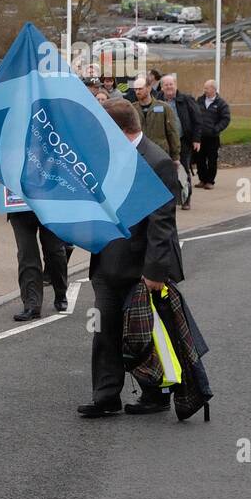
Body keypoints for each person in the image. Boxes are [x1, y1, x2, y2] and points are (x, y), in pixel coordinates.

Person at [79, 98, 183, 419]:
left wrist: (154, 272)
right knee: (105, 331)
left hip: (142, 266)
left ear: (121, 129)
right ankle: (106, 396)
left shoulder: (157, 161)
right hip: (109, 261)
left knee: (144, 334)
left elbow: (162, 222)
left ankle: (155, 393)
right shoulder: (108, 157)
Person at [8, 204, 70, 320]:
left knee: (54, 252)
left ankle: (60, 292)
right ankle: (32, 305)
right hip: (19, 207)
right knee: (27, 254)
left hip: (49, 203)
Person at [157, 74, 198, 209]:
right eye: (166, 85)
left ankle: (186, 198)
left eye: (171, 84)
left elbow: (197, 119)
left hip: (183, 142)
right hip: (164, 143)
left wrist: (197, 139)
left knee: (183, 170)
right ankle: (168, 200)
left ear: (175, 85)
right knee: (165, 171)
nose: (169, 87)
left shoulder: (186, 100)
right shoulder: (157, 101)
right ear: (162, 87)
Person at [130, 76, 178, 160]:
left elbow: (172, 132)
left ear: (148, 88)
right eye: (135, 89)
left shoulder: (164, 107)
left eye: (140, 89)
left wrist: (176, 156)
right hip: (140, 154)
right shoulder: (132, 109)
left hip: (160, 152)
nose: (137, 92)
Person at [195, 79, 230, 190]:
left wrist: (216, 129)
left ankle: (210, 181)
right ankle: (202, 179)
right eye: (204, 88)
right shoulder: (199, 101)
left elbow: (226, 119)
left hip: (213, 138)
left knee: (212, 159)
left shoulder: (221, 103)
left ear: (214, 89)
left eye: (207, 88)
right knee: (199, 159)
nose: (204, 90)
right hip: (200, 137)